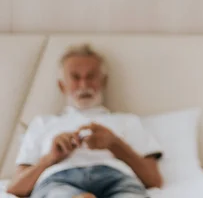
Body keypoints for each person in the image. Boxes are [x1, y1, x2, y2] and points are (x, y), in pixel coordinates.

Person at [6, 44, 163, 198]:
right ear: (61, 85)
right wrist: (51, 157)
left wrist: (114, 144)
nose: (84, 84)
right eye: (75, 77)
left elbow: (154, 180)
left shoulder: (127, 121)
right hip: (59, 180)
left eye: (91, 76)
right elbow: (16, 188)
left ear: (103, 81)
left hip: (117, 179)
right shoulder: (42, 123)